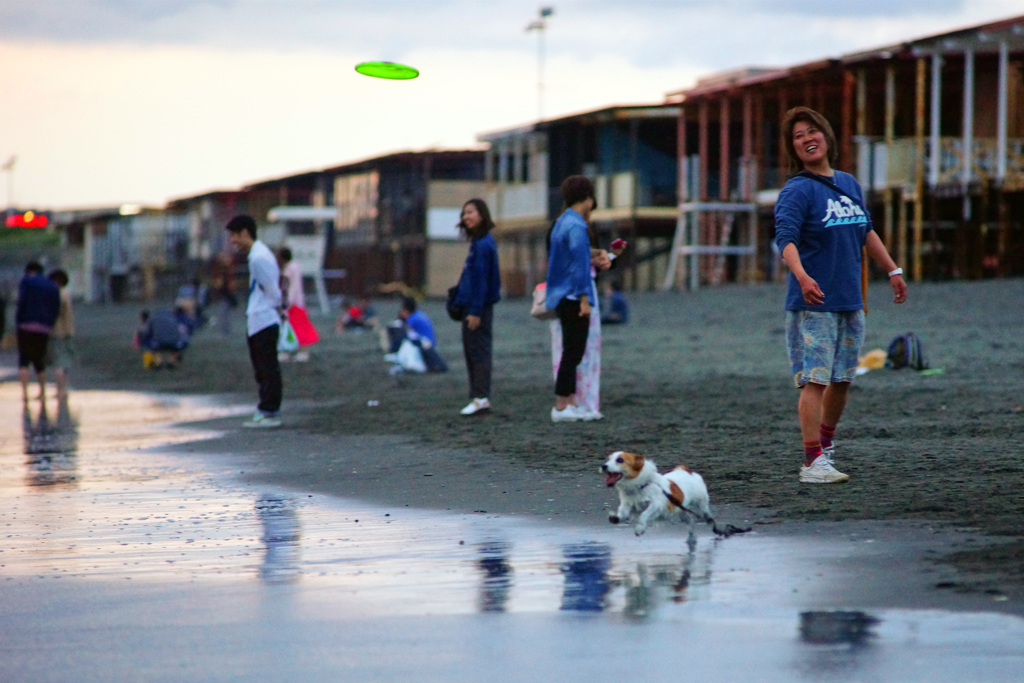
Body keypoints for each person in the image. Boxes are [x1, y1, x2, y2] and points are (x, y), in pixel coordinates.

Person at [774, 106, 907, 484]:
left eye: (812, 131)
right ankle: (812, 461)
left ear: (827, 137)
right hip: (813, 302)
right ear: (793, 148)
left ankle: (826, 449)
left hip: (851, 300)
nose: (807, 139)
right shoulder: (797, 189)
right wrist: (801, 276)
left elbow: (866, 231)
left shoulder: (849, 183)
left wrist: (892, 270)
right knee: (814, 379)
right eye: (798, 136)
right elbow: (785, 239)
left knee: (843, 377)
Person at [545, 176, 604, 423]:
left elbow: (574, 254)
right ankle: (562, 404)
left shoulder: (561, 222)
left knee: (569, 351)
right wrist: (584, 299)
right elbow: (580, 267)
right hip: (572, 295)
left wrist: (599, 252)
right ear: (587, 199)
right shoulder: (577, 226)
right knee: (573, 352)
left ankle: (568, 403)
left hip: (558, 294)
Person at [226, 214, 285, 428]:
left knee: (267, 368)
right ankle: (265, 409)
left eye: (234, 235)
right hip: (259, 319)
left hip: (264, 319)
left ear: (245, 233)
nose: (232, 241)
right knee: (262, 368)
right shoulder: (257, 255)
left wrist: (278, 311)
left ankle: (270, 412)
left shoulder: (259, 257)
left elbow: (273, 290)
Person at [451, 198, 501, 416]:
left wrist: (475, 311)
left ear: (482, 214)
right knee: (473, 352)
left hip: (477, 309)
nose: (466, 217)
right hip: (475, 307)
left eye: (470, 212)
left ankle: (480, 398)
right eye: (464, 214)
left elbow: (481, 280)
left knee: (478, 352)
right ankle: (478, 397)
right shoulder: (480, 242)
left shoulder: (483, 245)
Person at [15, 262, 61, 402]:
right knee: (39, 359)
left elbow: (21, 302)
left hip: (26, 325)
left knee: (24, 359)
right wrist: (50, 324)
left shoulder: (27, 281)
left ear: (29, 271)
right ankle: (42, 391)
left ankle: (25, 394)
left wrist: (18, 322)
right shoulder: (52, 285)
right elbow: (56, 307)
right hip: (44, 327)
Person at [383, 296, 447, 374]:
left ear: (406, 310)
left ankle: (394, 354)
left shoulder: (412, 318)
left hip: (426, 344)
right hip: (429, 342)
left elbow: (405, 331)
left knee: (404, 339)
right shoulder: (419, 314)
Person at [277, 247, 317, 362]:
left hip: (293, 304)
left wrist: (287, 302)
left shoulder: (290, 269)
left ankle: (296, 352)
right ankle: (298, 352)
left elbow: (291, 287)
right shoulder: (295, 266)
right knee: (296, 327)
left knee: (294, 327)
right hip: (297, 302)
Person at [46, 269, 75, 398]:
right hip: (68, 331)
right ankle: (65, 389)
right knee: (66, 362)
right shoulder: (66, 293)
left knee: (57, 363)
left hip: (56, 332)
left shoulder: (55, 294)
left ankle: (60, 390)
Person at [211, 250, 237, 338]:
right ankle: (225, 331)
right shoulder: (221, 270)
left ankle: (226, 331)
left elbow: (228, 283)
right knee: (224, 312)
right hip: (224, 294)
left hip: (225, 294)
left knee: (225, 312)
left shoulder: (227, 270)